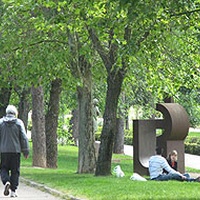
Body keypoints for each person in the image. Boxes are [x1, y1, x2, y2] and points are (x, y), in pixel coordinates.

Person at [0, 105, 29, 197]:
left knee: (3, 168)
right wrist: (26, 150)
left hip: (4, 151)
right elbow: (24, 137)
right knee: (15, 170)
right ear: (15, 113)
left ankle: (6, 182)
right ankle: (13, 191)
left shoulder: (1, 123)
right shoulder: (19, 123)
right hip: (15, 151)